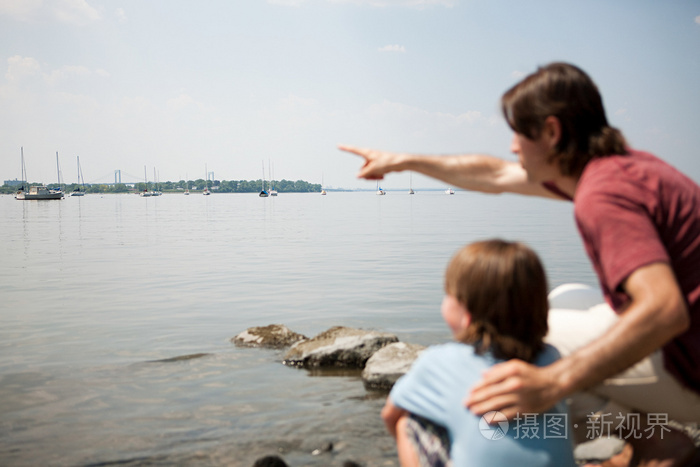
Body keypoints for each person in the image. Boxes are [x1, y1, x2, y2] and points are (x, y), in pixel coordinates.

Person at [341, 62, 700, 466]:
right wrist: (403, 160)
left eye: (517, 132)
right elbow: (492, 174)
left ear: (551, 132)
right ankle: (652, 441)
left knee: (518, 343)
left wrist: (552, 382)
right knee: (568, 301)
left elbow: (664, 308)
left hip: (691, 367)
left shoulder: (604, 193)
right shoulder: (623, 169)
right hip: (689, 349)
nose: (512, 147)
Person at [382, 239, 575, 467]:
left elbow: (389, 415)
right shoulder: (551, 357)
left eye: (448, 294)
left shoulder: (439, 361)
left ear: (467, 312)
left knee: (408, 422)